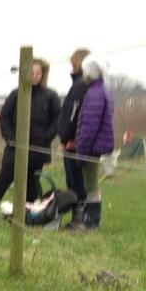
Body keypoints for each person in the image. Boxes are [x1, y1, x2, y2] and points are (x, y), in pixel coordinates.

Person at [0, 58, 61, 220]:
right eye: (32, 72)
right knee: (3, 180)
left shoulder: (51, 96)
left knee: (31, 183)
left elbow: (57, 121)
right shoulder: (16, 94)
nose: (35, 76)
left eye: (38, 73)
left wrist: (46, 138)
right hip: (14, 148)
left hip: (37, 150)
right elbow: (4, 117)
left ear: (43, 75)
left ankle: (27, 216)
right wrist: (10, 138)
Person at [69, 57, 114, 231]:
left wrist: (81, 151)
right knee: (91, 183)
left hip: (92, 147)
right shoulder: (101, 90)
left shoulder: (94, 93)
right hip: (97, 145)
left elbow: (89, 126)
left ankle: (91, 221)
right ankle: (91, 220)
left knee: (90, 184)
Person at [57, 48, 91, 227]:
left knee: (75, 181)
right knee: (75, 181)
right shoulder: (80, 84)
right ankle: (77, 218)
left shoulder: (80, 86)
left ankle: (79, 219)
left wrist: (64, 137)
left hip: (73, 142)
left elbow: (73, 114)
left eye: (73, 63)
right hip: (73, 140)